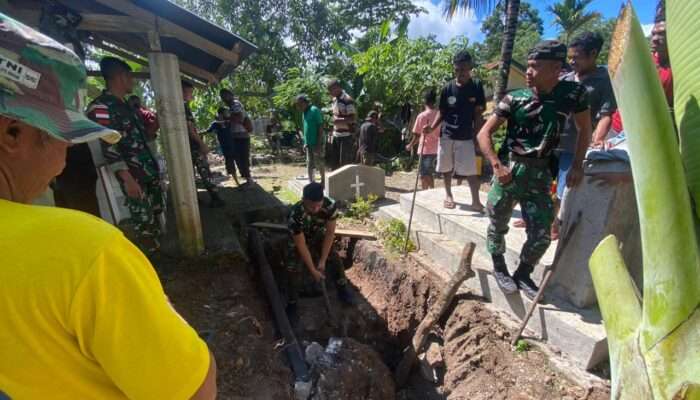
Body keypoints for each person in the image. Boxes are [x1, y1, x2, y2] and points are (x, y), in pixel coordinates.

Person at [0, 13, 216, 399]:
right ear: (13, 134)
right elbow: (194, 390)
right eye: (62, 134)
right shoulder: (85, 253)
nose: (66, 155)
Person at [477, 40, 592, 299]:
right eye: (527, 66)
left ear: (555, 68)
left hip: (541, 173)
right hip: (512, 171)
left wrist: (577, 166)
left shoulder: (573, 94)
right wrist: (497, 165)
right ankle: (499, 268)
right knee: (497, 221)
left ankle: (524, 272)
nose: (528, 72)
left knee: (541, 232)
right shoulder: (514, 99)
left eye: (535, 66)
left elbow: (586, 130)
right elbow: (484, 133)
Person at [87, 57, 164, 253]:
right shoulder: (101, 108)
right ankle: (149, 266)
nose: (133, 82)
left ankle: (157, 260)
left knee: (155, 216)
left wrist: (155, 127)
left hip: (147, 171)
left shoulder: (129, 106)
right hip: (133, 175)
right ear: (121, 77)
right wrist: (127, 178)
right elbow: (108, 146)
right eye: (131, 77)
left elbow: (139, 139)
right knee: (143, 224)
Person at [551, 32, 617, 238]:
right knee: (545, 184)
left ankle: (556, 226)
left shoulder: (603, 80)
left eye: (576, 56)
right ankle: (540, 218)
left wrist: (596, 140)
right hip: (553, 142)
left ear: (593, 54)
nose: (571, 61)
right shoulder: (566, 78)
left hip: (575, 145)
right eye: (569, 57)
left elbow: (606, 114)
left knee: (565, 189)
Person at [426, 50, 486, 211]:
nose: (461, 73)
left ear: (470, 68)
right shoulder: (447, 88)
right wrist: (432, 127)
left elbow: (478, 114)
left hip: (466, 135)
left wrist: (478, 136)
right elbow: (442, 111)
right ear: (454, 69)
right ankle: (448, 195)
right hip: (447, 134)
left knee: (471, 170)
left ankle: (476, 201)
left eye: (464, 69)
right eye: (457, 70)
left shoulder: (477, 86)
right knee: (446, 168)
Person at [285, 182, 353, 321]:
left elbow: (329, 234)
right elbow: (301, 244)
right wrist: (313, 270)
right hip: (301, 238)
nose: (316, 209)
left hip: (318, 235)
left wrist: (322, 261)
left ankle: (342, 288)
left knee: (333, 256)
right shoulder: (295, 215)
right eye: (312, 206)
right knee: (292, 266)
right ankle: (292, 301)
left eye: (319, 205)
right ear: (304, 200)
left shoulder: (330, 206)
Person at [182, 81, 224, 208]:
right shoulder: (183, 107)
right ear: (182, 92)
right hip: (193, 146)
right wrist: (202, 144)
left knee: (190, 174)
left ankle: (194, 199)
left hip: (186, 146)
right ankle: (215, 197)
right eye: (190, 93)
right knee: (205, 171)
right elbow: (190, 129)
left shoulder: (180, 107)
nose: (192, 96)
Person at [407, 88, 441, 190]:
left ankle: (425, 193)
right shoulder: (440, 115)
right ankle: (431, 191)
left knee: (424, 174)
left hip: (425, 150)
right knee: (429, 173)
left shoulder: (421, 116)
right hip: (438, 149)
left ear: (424, 100)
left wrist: (410, 145)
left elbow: (417, 135)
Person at [219, 88, 253, 184]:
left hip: (241, 136)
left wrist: (227, 118)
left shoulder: (235, 104)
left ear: (230, 95)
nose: (224, 99)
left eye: (225, 96)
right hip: (237, 136)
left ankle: (249, 180)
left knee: (242, 159)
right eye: (222, 97)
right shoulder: (232, 106)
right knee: (239, 159)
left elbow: (239, 117)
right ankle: (248, 180)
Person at [205, 107, 239, 186]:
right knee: (230, 164)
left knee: (239, 162)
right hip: (226, 147)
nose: (228, 113)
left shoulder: (229, 122)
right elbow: (208, 131)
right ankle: (237, 182)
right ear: (221, 114)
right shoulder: (215, 124)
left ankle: (245, 179)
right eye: (226, 112)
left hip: (234, 144)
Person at [296, 94, 325, 184]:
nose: (299, 107)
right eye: (298, 105)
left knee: (319, 163)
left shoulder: (314, 110)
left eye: (300, 104)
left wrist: (319, 144)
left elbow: (320, 127)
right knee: (309, 164)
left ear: (305, 102)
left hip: (317, 143)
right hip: (308, 144)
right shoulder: (304, 113)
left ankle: (323, 181)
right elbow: (305, 128)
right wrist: (305, 142)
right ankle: (311, 182)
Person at [327, 79, 357, 169]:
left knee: (344, 164)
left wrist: (339, 121)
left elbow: (352, 118)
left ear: (337, 88)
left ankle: (345, 183)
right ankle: (336, 182)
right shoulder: (334, 100)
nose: (330, 92)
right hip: (336, 135)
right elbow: (334, 116)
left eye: (331, 90)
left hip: (346, 137)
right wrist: (331, 132)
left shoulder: (347, 100)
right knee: (334, 163)